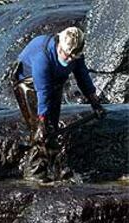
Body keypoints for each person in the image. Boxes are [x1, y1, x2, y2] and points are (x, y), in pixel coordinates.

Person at [11, 27, 106, 181]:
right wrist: (41, 120)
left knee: (52, 128)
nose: (68, 59)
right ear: (60, 45)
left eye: (72, 57)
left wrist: (95, 102)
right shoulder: (42, 56)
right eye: (66, 55)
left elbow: (83, 77)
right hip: (28, 83)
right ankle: (35, 173)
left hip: (54, 82)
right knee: (41, 132)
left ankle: (55, 169)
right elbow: (43, 92)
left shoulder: (76, 56)